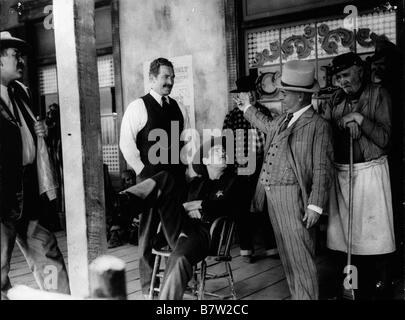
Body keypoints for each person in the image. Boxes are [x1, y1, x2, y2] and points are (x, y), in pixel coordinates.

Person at [236, 60, 334, 300]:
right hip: (273, 197)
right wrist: (247, 108)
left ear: (301, 96)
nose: (281, 96)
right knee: (288, 258)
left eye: (285, 93)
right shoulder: (282, 119)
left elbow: (323, 167)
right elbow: (265, 124)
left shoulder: (318, 125)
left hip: (295, 198)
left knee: (301, 257)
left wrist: (315, 205)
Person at [122, 136, 246, 300]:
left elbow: (229, 207)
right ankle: (124, 202)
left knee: (178, 258)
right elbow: (179, 205)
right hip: (181, 226)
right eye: (216, 151)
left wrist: (199, 205)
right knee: (165, 178)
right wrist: (193, 207)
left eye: (224, 151)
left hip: (204, 234)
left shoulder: (234, 181)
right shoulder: (196, 183)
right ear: (206, 160)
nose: (222, 152)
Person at [0, 31, 70, 299]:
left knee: (47, 252)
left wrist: (39, 129)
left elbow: (25, 136)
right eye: (15, 55)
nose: (21, 61)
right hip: (2, 197)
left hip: (27, 191)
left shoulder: (19, 92)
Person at [325, 52, 396, 299]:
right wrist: (344, 121)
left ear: (360, 70)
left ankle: (376, 291)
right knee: (345, 242)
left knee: (374, 241)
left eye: (346, 75)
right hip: (342, 175)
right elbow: (328, 131)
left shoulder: (380, 94)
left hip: (371, 175)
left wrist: (359, 118)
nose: (342, 82)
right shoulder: (335, 99)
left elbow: (385, 139)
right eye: (338, 77)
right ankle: (350, 289)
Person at [119, 57, 186, 297]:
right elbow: (126, 144)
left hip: (175, 181)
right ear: (153, 78)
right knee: (147, 235)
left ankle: (172, 284)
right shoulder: (138, 106)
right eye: (166, 77)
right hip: (150, 182)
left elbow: (181, 141)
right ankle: (149, 288)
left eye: (172, 77)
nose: (170, 81)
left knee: (174, 235)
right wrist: (142, 172)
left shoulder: (177, 106)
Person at [224, 75, 278, 263]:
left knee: (266, 207)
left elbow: (272, 139)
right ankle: (247, 249)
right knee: (242, 208)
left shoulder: (263, 112)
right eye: (245, 93)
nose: (249, 96)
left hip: (263, 165)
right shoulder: (232, 116)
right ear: (239, 96)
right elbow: (227, 144)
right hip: (242, 166)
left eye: (251, 92)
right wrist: (234, 167)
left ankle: (271, 247)